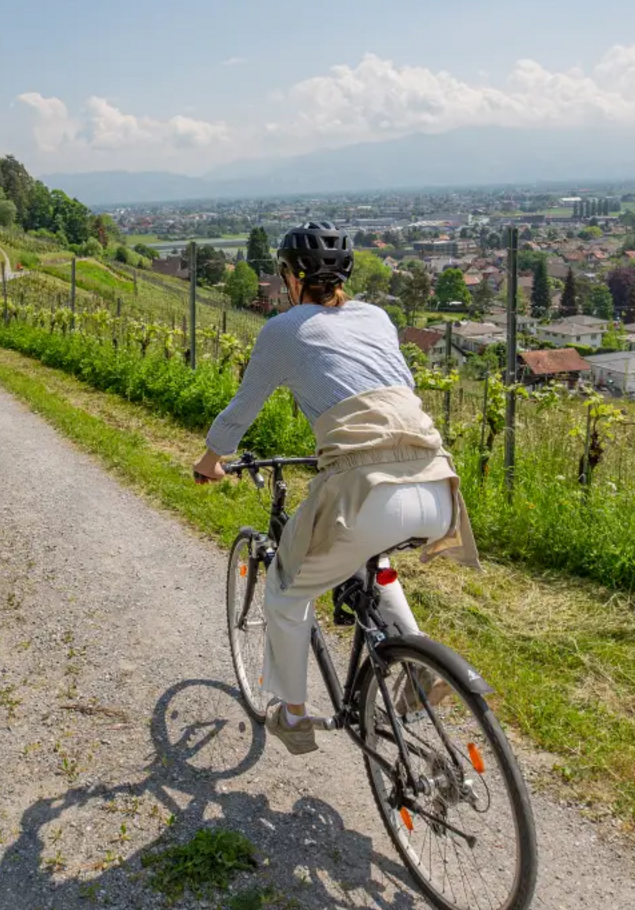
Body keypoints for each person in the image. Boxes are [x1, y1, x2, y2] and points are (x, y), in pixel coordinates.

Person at [193, 223, 478, 755]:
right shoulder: (377, 317)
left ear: (292, 277)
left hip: (367, 486)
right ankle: (419, 667)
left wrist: (211, 460)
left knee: (287, 588)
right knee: (366, 556)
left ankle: (294, 714)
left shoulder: (284, 329)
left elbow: (240, 413)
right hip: (437, 480)